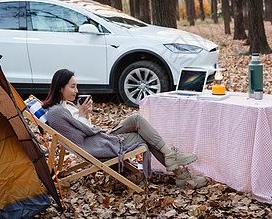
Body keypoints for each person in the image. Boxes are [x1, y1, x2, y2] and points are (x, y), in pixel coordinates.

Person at [42, 69, 207, 189]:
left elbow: (86, 129)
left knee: (136, 120)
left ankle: (172, 159)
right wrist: (83, 115)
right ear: (60, 88)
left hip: (99, 138)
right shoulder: (57, 113)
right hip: (96, 144)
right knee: (142, 135)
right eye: (72, 87)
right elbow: (81, 137)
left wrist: (83, 115)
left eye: (76, 86)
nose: (76, 91)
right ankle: (179, 172)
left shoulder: (66, 106)